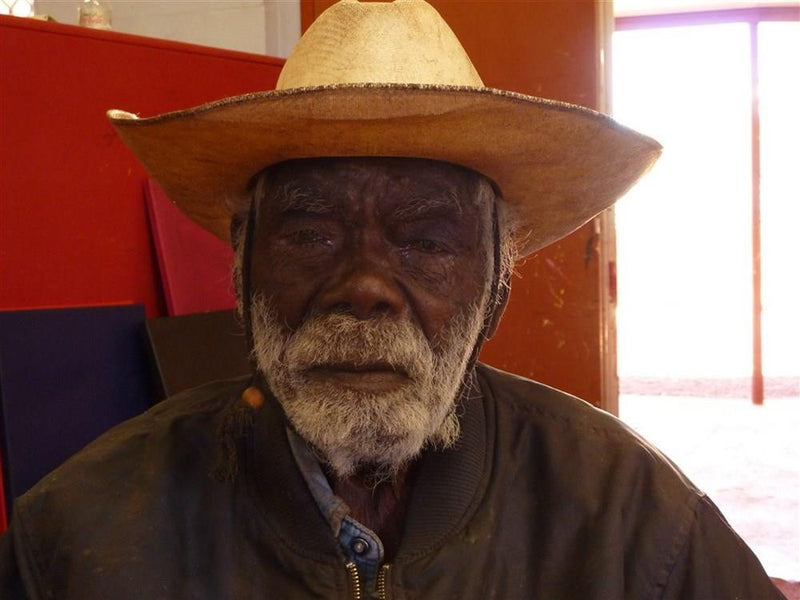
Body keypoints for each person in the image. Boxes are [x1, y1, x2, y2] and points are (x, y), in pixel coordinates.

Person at [0, 1, 786, 598]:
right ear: (240, 270)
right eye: (310, 233)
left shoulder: (634, 524)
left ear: (498, 284)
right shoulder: (79, 534)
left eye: (428, 241)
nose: (366, 287)